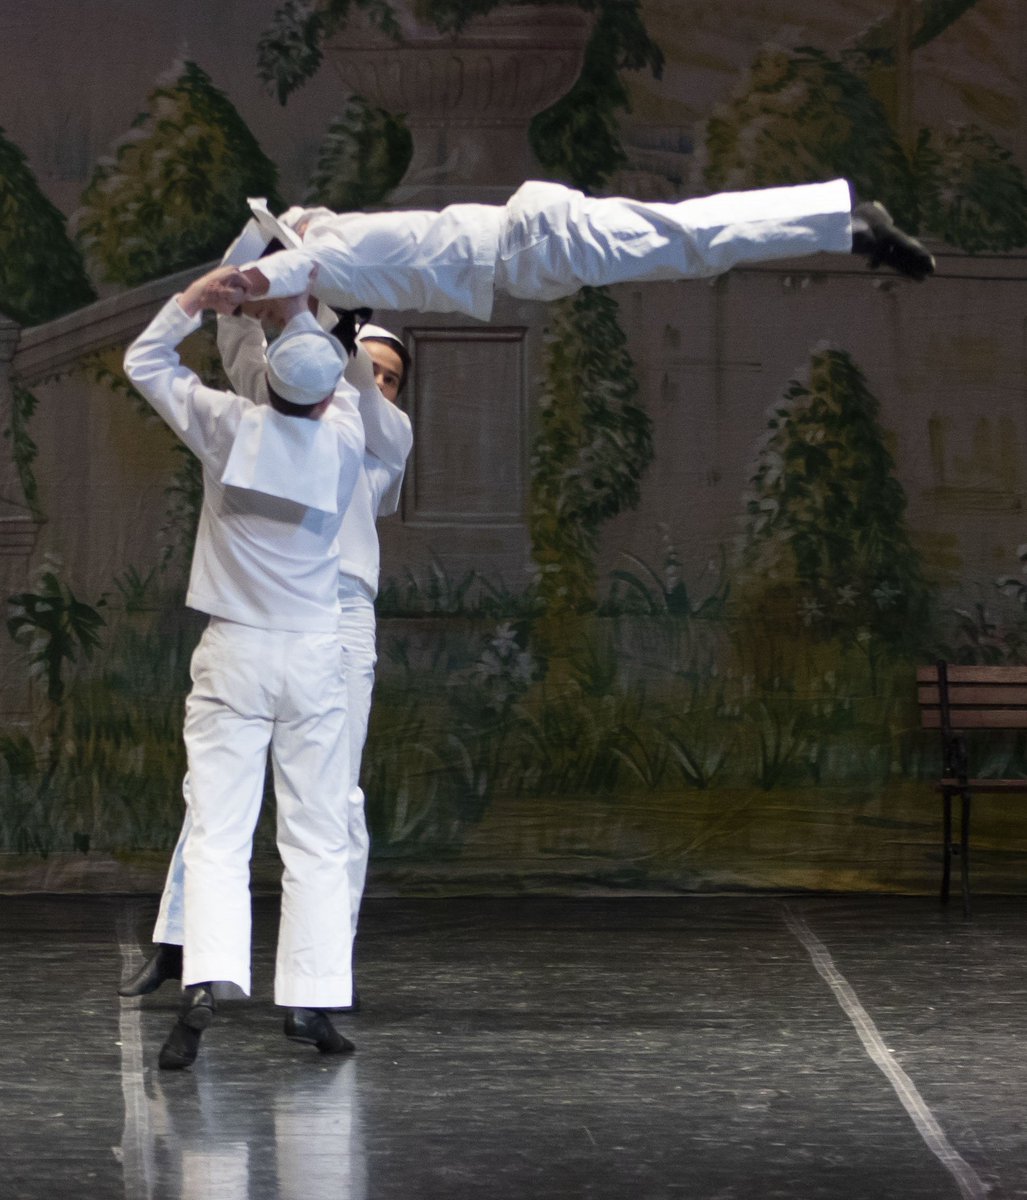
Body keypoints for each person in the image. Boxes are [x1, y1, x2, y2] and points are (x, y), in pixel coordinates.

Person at [118, 316, 412, 1014]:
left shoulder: (379, 436)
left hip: (335, 620)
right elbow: (255, 361)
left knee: (331, 803)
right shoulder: (290, 421)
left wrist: (335, 349)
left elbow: (357, 406)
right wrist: (274, 305)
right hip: (266, 619)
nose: (374, 378)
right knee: (219, 798)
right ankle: (183, 940)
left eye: (391, 374)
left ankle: (318, 979)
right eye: (362, 364)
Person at [238, 179, 935, 322]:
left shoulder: (323, 261)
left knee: (692, 241)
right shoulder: (332, 251)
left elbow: (291, 271)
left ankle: (848, 222)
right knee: (692, 244)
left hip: (539, 244)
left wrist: (231, 288)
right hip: (536, 253)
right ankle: (844, 225)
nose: (269, 314)